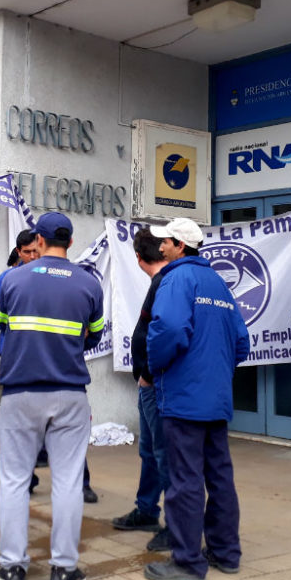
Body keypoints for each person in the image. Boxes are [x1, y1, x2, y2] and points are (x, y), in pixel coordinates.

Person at [0, 212, 104, 580]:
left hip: (21, 392)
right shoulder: (89, 284)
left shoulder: (13, 279)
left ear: (37, 240)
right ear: (70, 242)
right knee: (69, 482)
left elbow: (2, 325)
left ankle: (12, 570)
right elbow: (93, 337)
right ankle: (63, 570)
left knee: (13, 481)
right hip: (70, 392)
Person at [144, 217, 249, 580]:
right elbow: (241, 343)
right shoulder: (218, 282)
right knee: (219, 475)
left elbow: (169, 329)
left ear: (179, 246)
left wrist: (156, 367)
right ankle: (224, 553)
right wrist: (216, 374)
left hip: (183, 396)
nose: (161, 247)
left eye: (166, 242)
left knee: (184, 479)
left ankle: (187, 562)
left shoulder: (177, 278)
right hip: (215, 396)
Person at [111, 228, 171, 552]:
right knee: (149, 451)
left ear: (138, 258)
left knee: (163, 455)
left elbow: (166, 334)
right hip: (150, 384)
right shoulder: (161, 282)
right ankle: (147, 510)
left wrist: (148, 374)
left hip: (157, 384)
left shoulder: (166, 283)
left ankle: (175, 527)